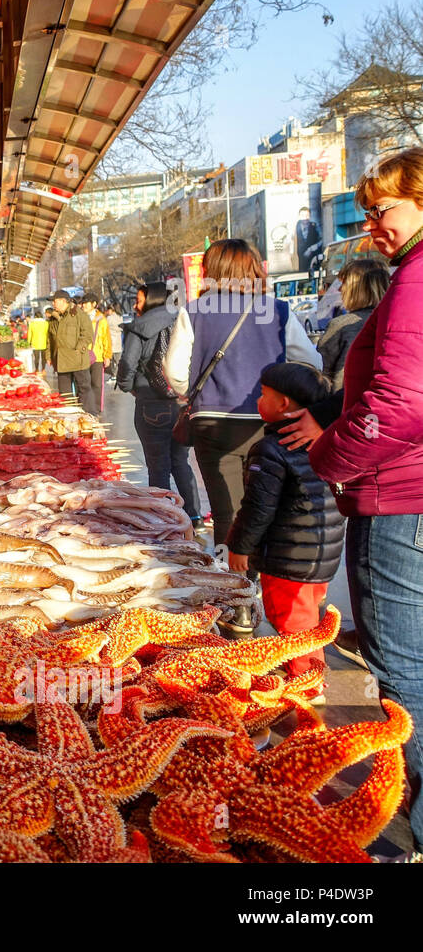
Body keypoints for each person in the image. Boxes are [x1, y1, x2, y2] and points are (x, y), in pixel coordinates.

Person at [284, 147, 423, 855]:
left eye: (384, 210)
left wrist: (329, 457)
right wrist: (337, 416)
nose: (374, 226)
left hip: (400, 499)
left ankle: (404, 824)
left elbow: (399, 403)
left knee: (398, 670)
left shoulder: (415, 283)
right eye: (366, 214)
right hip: (407, 488)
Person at [163, 238, 320, 556]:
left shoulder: (195, 312)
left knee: (227, 514)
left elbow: (175, 372)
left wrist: (196, 393)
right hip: (268, 424)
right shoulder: (276, 311)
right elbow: (311, 364)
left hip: (213, 424)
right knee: (269, 507)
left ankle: (236, 592)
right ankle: (266, 584)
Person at [224, 363, 343, 692]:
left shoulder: (272, 450)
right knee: (307, 617)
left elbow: (257, 508)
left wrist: (240, 546)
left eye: (263, 395)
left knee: (293, 622)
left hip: (287, 559)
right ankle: (307, 670)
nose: (257, 401)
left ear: (284, 404)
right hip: (322, 555)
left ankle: (307, 683)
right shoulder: (326, 440)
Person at [116, 281, 204, 531]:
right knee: (180, 460)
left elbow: (128, 364)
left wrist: (127, 386)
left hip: (151, 403)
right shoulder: (182, 320)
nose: (136, 304)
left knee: (158, 464)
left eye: (140, 299)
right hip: (179, 402)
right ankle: (193, 516)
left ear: (152, 299)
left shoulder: (140, 327)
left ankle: (165, 518)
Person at [317, 258, 390, 390]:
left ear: (357, 289)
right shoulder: (394, 321)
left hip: (343, 404)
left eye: (344, 283)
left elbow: (319, 373)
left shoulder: (340, 326)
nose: (340, 290)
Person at [46, 290, 95, 414]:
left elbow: (87, 334)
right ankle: (70, 418)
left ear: (63, 301)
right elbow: (50, 339)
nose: (53, 303)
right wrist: (49, 356)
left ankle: (88, 416)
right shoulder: (53, 318)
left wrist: (79, 349)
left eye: (55, 301)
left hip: (78, 360)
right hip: (61, 361)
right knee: (65, 394)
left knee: (84, 390)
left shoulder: (79, 314)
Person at [83, 294, 111, 413]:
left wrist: (107, 355)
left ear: (94, 304)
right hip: (82, 356)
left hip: (97, 356)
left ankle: (96, 408)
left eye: (86, 303)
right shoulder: (80, 317)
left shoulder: (101, 319)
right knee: (84, 384)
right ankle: (85, 408)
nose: (83, 305)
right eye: (82, 303)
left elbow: (106, 338)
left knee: (97, 384)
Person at [27, 308, 49, 374]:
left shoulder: (32, 324)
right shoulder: (46, 323)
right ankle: (43, 369)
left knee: (36, 358)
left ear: (35, 316)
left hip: (35, 343)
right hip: (44, 342)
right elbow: (47, 333)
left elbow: (30, 334)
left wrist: (28, 342)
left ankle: (36, 369)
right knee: (43, 357)